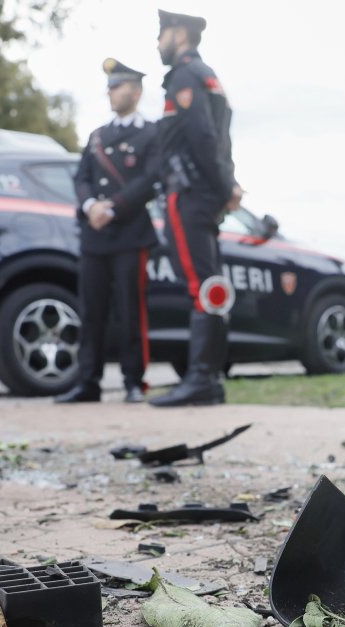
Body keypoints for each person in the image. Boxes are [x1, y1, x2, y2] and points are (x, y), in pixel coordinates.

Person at [148, 9, 242, 407]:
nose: (157, 43)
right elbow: (222, 141)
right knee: (212, 286)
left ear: (179, 33)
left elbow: (203, 137)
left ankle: (201, 379)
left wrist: (226, 185)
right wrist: (228, 185)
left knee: (200, 287)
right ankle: (210, 379)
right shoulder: (208, 76)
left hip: (187, 195)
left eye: (161, 34)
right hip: (206, 194)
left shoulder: (184, 76)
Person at [56, 58, 159, 404]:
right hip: (94, 235)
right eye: (110, 88)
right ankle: (88, 382)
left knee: (130, 310)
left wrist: (113, 206)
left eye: (118, 87)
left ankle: (134, 382)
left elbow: (150, 180)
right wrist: (91, 207)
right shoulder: (98, 135)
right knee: (91, 310)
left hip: (130, 233)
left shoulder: (151, 133)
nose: (111, 93)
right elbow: (82, 177)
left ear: (136, 90)